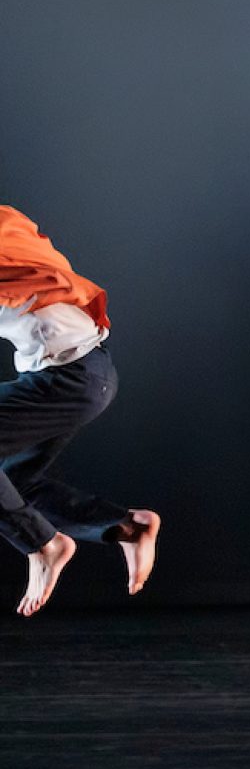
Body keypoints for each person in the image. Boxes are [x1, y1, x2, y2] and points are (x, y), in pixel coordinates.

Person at [0, 205, 160, 616]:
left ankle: (44, 545)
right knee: (15, 480)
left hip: (70, 380)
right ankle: (125, 526)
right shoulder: (9, 229)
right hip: (84, 374)